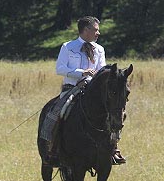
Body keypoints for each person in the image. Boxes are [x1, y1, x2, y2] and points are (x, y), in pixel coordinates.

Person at [50, 16, 125, 164]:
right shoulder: (68, 47)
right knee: (60, 112)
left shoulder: (99, 49)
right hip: (72, 88)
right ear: (86, 30)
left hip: (93, 91)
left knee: (114, 112)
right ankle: (54, 149)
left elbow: (103, 71)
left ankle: (113, 149)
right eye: (96, 30)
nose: (98, 33)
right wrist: (81, 72)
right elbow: (60, 69)